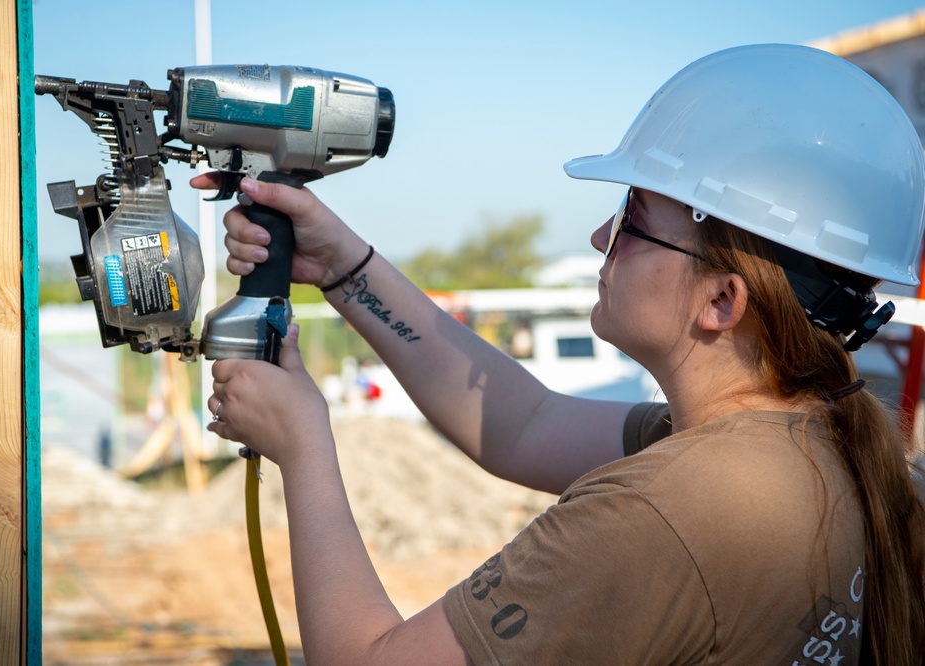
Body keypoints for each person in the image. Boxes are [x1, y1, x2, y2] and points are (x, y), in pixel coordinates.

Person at [194, 44, 925, 664]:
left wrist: (303, 445)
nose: (600, 239)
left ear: (721, 302)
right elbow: (521, 423)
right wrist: (343, 267)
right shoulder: (800, 440)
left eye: (634, 219)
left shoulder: (664, 515)